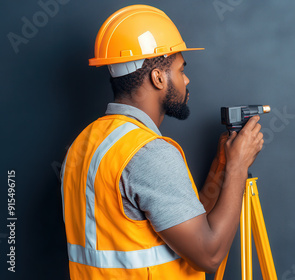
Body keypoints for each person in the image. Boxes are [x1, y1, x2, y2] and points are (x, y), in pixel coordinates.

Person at [60, 5, 263, 279]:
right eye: (180, 69)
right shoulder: (148, 152)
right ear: (158, 78)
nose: (186, 79)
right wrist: (239, 167)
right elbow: (209, 254)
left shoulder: (84, 144)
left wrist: (222, 167)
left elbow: (186, 225)